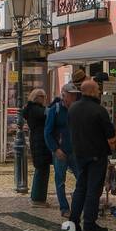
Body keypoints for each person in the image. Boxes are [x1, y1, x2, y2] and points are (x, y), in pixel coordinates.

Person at [67, 78, 115, 231]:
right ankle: (89, 223)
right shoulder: (98, 110)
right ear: (93, 92)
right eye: (98, 90)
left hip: (79, 153)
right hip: (96, 154)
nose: (100, 92)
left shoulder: (73, 108)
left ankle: (73, 222)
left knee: (80, 187)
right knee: (93, 189)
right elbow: (110, 132)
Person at [43, 81, 80, 220]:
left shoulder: (77, 110)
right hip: (60, 151)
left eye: (75, 95)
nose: (74, 98)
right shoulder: (55, 110)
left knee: (81, 179)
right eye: (71, 95)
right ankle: (64, 208)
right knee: (60, 181)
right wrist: (55, 149)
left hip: (75, 151)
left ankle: (77, 204)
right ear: (64, 95)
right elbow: (47, 132)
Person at [22, 88, 52, 206]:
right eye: (43, 97)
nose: (45, 99)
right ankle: (38, 198)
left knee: (41, 169)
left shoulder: (31, 109)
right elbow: (46, 116)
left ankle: (38, 197)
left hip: (37, 140)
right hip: (40, 142)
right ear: (38, 97)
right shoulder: (36, 109)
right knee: (42, 169)